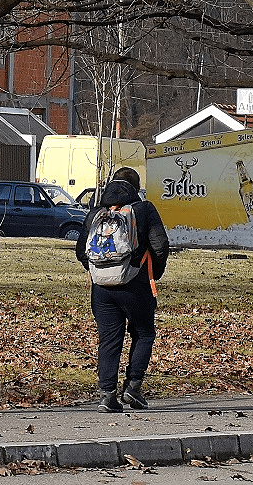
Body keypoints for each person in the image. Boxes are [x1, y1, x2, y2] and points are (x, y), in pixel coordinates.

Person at [75, 167, 170, 413]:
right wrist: (150, 272)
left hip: (101, 289)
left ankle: (107, 396)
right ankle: (133, 389)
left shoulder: (97, 212)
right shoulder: (144, 209)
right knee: (144, 333)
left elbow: (80, 250)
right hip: (135, 285)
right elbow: (160, 245)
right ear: (135, 188)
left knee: (108, 340)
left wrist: (98, 270)